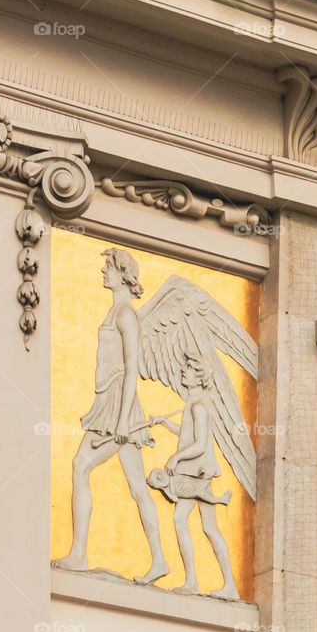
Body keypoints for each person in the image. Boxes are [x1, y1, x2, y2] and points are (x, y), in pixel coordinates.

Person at [54, 248, 168, 584]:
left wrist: (121, 421)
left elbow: (132, 368)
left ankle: (78, 554)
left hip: (118, 403)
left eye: (108, 267)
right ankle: (160, 560)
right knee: (137, 488)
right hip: (111, 400)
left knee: (80, 466)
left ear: (123, 274)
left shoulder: (126, 315)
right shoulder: (115, 310)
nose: (103, 271)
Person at [146, 357, 239, 601]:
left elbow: (199, 444)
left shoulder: (199, 406)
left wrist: (175, 458)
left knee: (183, 520)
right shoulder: (195, 403)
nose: (182, 372)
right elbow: (189, 434)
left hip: (194, 472)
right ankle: (226, 584)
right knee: (209, 527)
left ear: (199, 377)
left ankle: (195, 581)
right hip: (197, 472)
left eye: (187, 370)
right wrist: (167, 424)